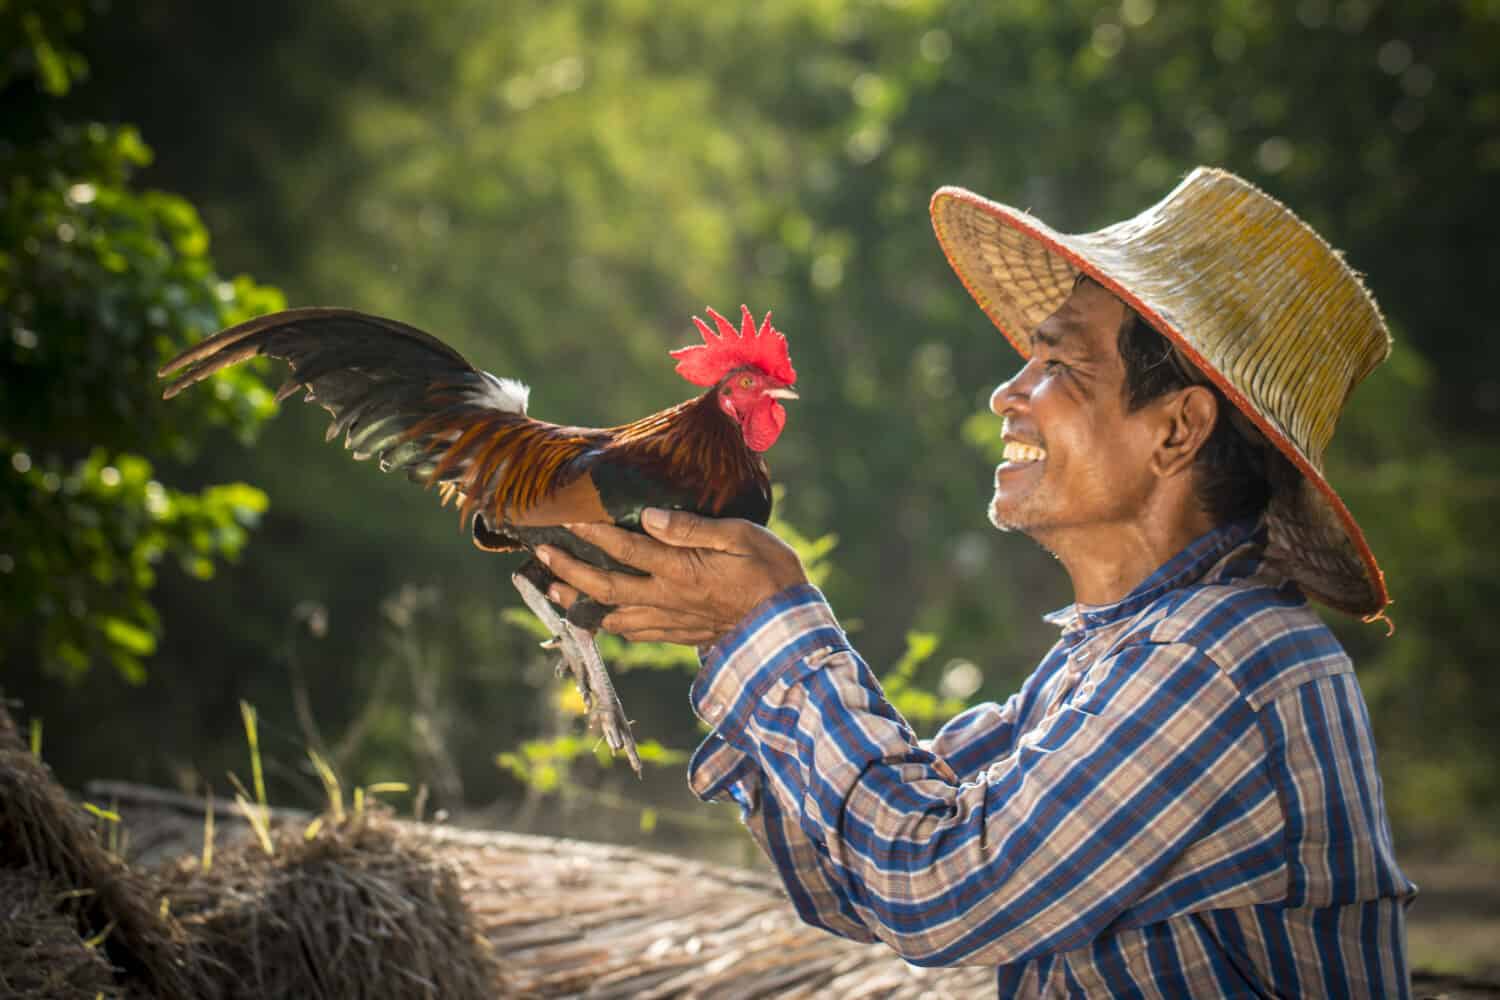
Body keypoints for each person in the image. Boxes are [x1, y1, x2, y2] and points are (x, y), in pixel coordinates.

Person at [537, 167, 1416, 997]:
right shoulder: (1114, 658)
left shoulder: (1222, 664)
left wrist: (775, 627)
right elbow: (847, 881)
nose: (1009, 393)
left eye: (1061, 367)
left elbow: (940, 888)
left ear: (1178, 430)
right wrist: (731, 627)